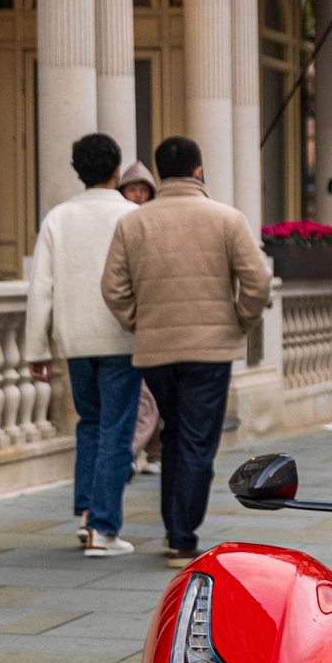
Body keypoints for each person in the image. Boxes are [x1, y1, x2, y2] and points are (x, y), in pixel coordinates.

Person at [102, 134, 273, 563]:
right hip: (210, 350)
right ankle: (182, 535)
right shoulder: (227, 218)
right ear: (199, 171)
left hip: (156, 349)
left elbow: (113, 288)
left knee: (174, 435)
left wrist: (139, 323)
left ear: (160, 173)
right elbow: (258, 281)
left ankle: (173, 528)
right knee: (197, 441)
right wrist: (241, 320)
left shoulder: (132, 223)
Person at [23, 133, 140, 558]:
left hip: (73, 340)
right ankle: (103, 529)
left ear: (78, 171)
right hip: (121, 335)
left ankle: (88, 515)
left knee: (90, 423)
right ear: (116, 169)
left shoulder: (58, 217)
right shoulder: (131, 216)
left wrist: (37, 348)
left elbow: (41, 288)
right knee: (116, 428)